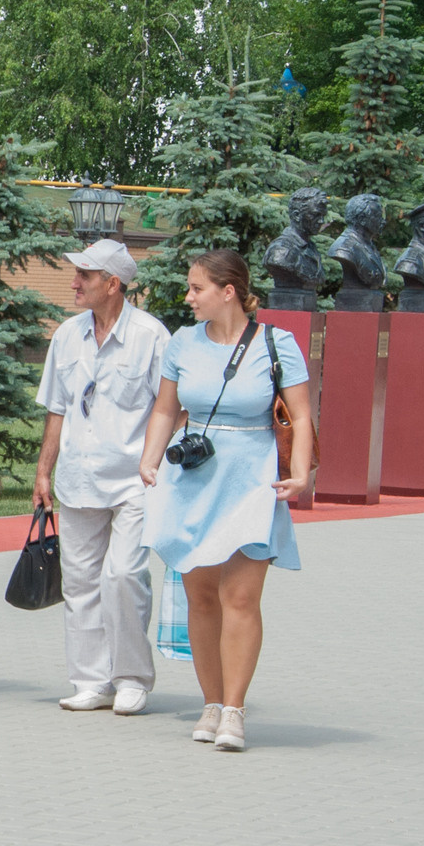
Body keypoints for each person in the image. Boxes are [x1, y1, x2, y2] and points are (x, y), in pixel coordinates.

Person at [138, 249, 316, 751]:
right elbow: (164, 409)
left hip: (251, 478)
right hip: (192, 477)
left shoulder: (276, 344)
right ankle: (210, 702)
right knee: (200, 597)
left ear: (228, 292)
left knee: (240, 597)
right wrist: (149, 459)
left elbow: (301, 417)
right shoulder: (182, 343)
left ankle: (234, 712)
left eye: (197, 289)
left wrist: (299, 473)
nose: (188, 297)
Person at [33, 238, 171, 717]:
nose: (74, 283)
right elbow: (56, 407)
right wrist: (44, 470)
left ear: (113, 284)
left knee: (123, 575)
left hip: (135, 480)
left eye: (85, 276)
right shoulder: (67, 336)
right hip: (76, 478)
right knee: (81, 582)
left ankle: (131, 677)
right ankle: (92, 680)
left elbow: (171, 410)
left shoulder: (152, 336)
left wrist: (157, 465)